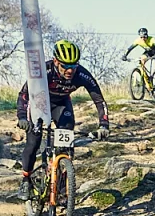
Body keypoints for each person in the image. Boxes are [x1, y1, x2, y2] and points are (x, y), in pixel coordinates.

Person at [17, 39, 109, 196]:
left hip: (61, 105)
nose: (70, 70)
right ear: (55, 61)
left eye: (73, 66)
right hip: (39, 105)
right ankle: (26, 181)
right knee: (33, 143)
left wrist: (104, 125)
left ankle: (60, 187)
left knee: (64, 146)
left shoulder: (81, 74)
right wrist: (22, 118)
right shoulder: (43, 71)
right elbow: (24, 95)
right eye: (65, 66)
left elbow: (99, 100)